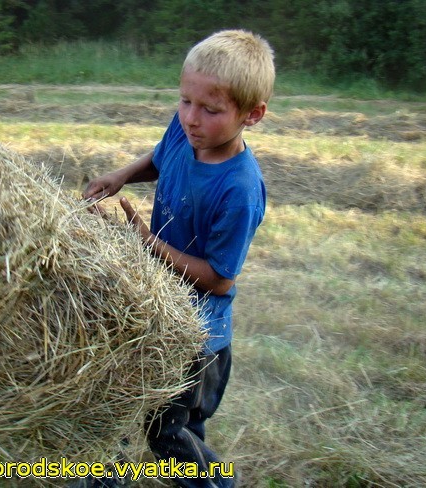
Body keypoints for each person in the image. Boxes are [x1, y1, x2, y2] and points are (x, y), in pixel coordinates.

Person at [80, 29, 274, 487]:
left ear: (253, 114)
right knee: (132, 412)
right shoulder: (187, 131)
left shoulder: (239, 189)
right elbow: (163, 156)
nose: (191, 118)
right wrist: (122, 175)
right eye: (185, 101)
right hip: (156, 314)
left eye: (210, 109)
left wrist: (149, 245)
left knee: (167, 432)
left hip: (197, 340)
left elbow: (221, 280)